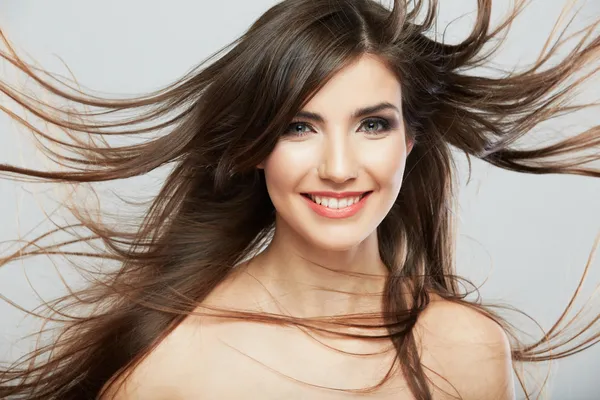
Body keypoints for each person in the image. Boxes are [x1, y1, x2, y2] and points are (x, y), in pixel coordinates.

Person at [0, 0, 599, 399]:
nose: (339, 169)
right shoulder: (171, 363)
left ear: (410, 139)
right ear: (256, 143)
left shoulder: (464, 346)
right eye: (298, 126)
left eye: (372, 125)